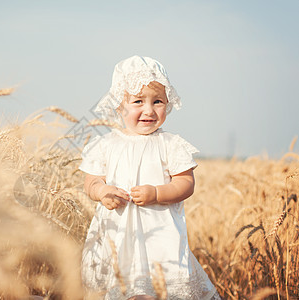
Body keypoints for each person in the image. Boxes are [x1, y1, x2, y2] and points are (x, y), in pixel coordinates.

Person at [79, 55, 221, 299]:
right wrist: (102, 192)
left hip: (160, 237)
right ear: (118, 106)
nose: (148, 110)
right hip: (117, 236)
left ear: (168, 103)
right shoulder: (105, 145)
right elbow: (90, 183)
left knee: (160, 291)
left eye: (157, 102)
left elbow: (186, 183)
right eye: (137, 101)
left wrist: (157, 193)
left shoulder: (170, 144)